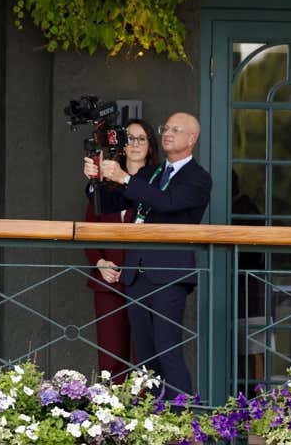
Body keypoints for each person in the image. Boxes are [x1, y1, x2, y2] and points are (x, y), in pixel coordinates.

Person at [85, 112, 211, 396]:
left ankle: (182, 418)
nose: (167, 133)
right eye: (165, 128)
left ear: (191, 138)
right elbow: (108, 203)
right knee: (145, 357)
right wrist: (96, 179)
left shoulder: (198, 178)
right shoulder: (150, 173)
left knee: (168, 350)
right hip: (137, 273)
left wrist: (125, 179)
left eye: (176, 129)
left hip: (169, 273)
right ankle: (153, 420)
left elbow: (168, 202)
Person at [82, 119, 159, 381]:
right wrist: (100, 262)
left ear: (150, 146)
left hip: (147, 280)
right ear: (122, 146)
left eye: (142, 138)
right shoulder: (105, 185)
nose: (135, 144)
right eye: (130, 139)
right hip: (109, 280)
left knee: (146, 357)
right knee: (110, 357)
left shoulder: (160, 182)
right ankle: (112, 415)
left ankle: (144, 414)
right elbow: (89, 228)